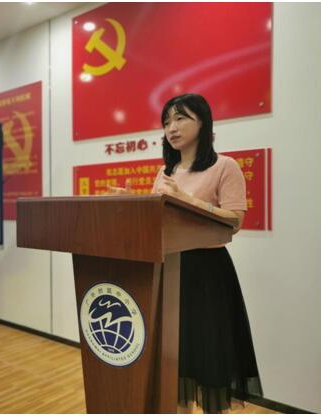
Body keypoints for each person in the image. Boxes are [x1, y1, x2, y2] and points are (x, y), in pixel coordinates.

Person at [110, 93, 262, 413]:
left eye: (181, 118)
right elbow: (161, 219)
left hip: (207, 273)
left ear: (203, 123)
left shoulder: (225, 166)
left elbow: (235, 221)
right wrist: (133, 202)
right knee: (174, 360)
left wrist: (186, 199)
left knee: (208, 355)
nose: (172, 128)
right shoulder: (167, 171)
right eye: (167, 121)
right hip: (169, 268)